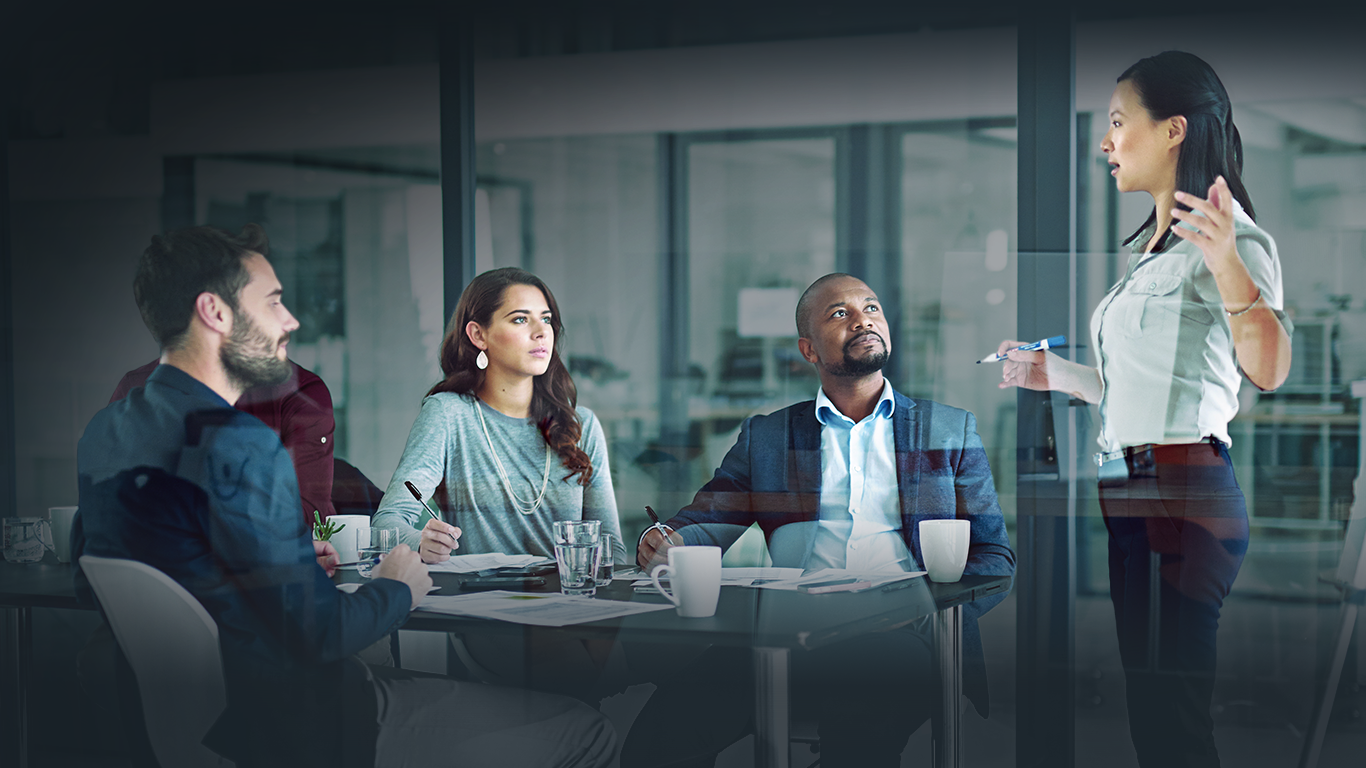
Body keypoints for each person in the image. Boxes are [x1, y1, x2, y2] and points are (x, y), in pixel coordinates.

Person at [72, 224, 617, 768]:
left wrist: (269, 559)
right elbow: (322, 634)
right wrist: (396, 587)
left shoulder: (104, 431)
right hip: (310, 722)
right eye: (274, 302)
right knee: (588, 730)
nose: (291, 321)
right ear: (215, 312)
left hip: (193, 727)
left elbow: (98, 575)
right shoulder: (242, 443)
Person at [995, 51, 1292, 768]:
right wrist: (1056, 373)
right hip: (1131, 488)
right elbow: (1141, 385)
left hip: (1182, 489)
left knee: (1174, 722)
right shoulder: (1152, 253)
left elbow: (1270, 369)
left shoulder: (1235, 240)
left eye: (1120, 122)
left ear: (1173, 131)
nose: (1107, 141)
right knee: (1151, 714)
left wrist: (1227, 263)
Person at [627, 273, 1016, 768]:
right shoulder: (768, 437)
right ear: (808, 350)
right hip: (789, 634)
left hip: (908, 636)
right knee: (660, 739)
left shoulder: (947, 429)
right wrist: (666, 539)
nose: (862, 320)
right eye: (840, 313)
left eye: (871, 308)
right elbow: (708, 518)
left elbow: (995, 558)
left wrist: (933, 612)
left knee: (857, 726)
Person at [371, 266, 625, 566]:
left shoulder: (580, 425)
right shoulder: (448, 414)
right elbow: (387, 522)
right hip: (479, 602)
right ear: (479, 335)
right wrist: (419, 542)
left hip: (569, 601)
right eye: (520, 319)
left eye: (546, 319)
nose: (542, 331)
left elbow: (612, 551)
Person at [109, 355, 337, 527]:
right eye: (271, 303)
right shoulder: (137, 390)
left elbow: (310, 516)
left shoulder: (298, 392)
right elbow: (109, 506)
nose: (289, 321)